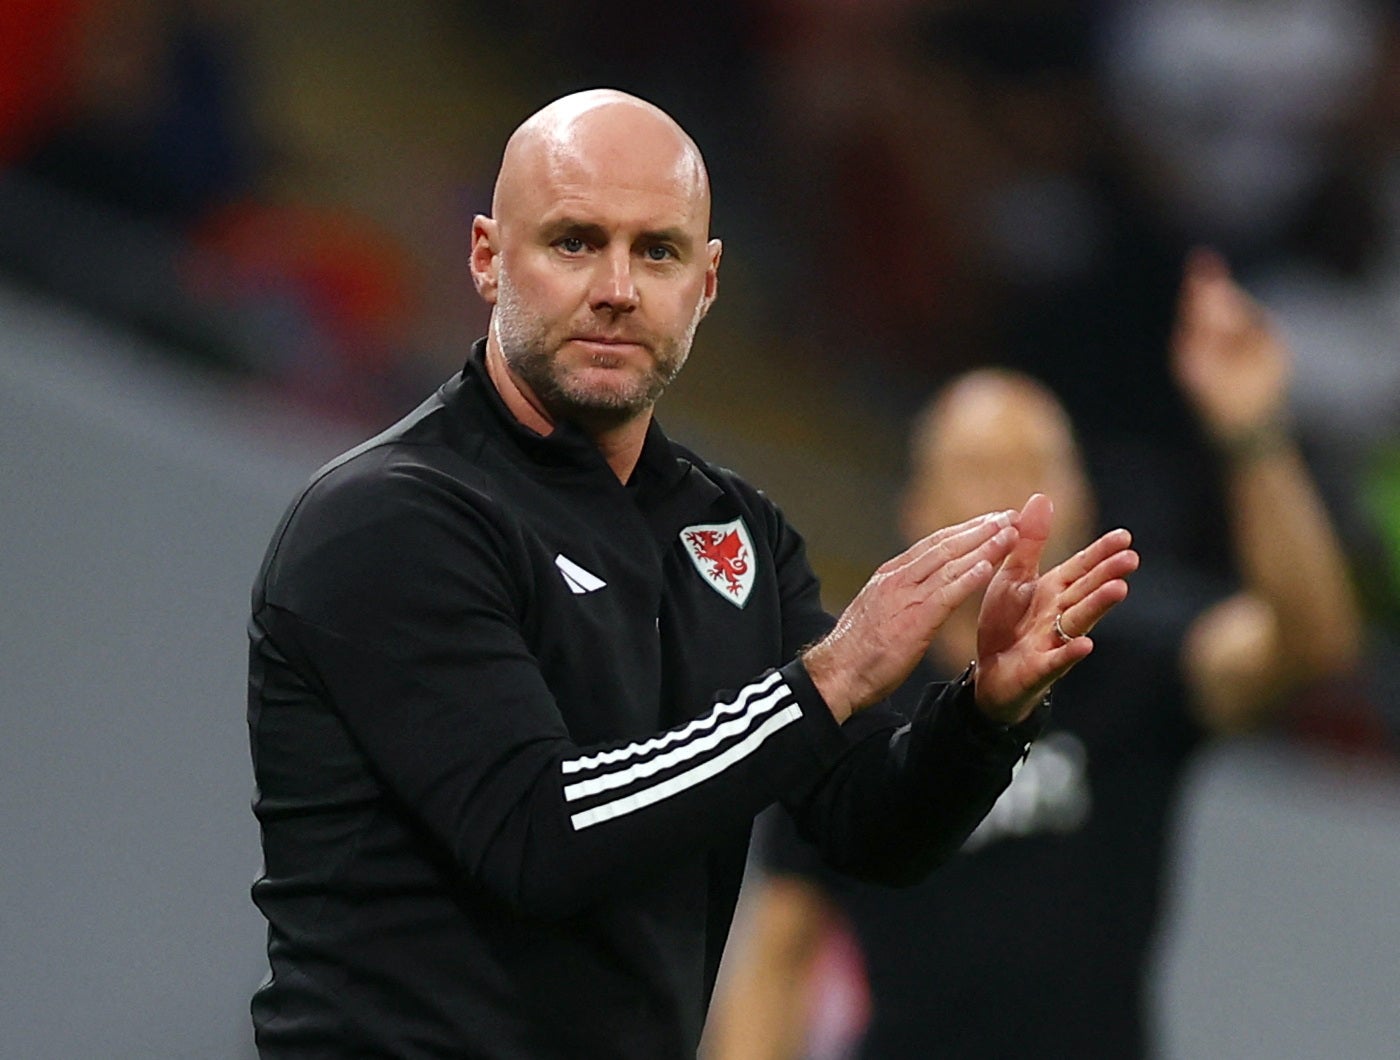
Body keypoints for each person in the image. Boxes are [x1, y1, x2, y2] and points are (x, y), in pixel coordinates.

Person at [245, 89, 1139, 1058]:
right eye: (575, 241)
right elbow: (536, 834)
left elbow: (867, 830)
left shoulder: (729, 529)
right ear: (485, 256)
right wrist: (826, 681)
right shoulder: (390, 518)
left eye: (657, 250)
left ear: (706, 283)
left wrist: (981, 716)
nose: (618, 287)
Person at [704, 251, 1363, 1059]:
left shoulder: (1131, 663)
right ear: (916, 510)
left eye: (1038, 468)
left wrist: (1255, 436)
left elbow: (1312, 641)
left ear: (1083, 500)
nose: (1014, 499)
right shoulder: (854, 694)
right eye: (981, 469)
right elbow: (780, 950)